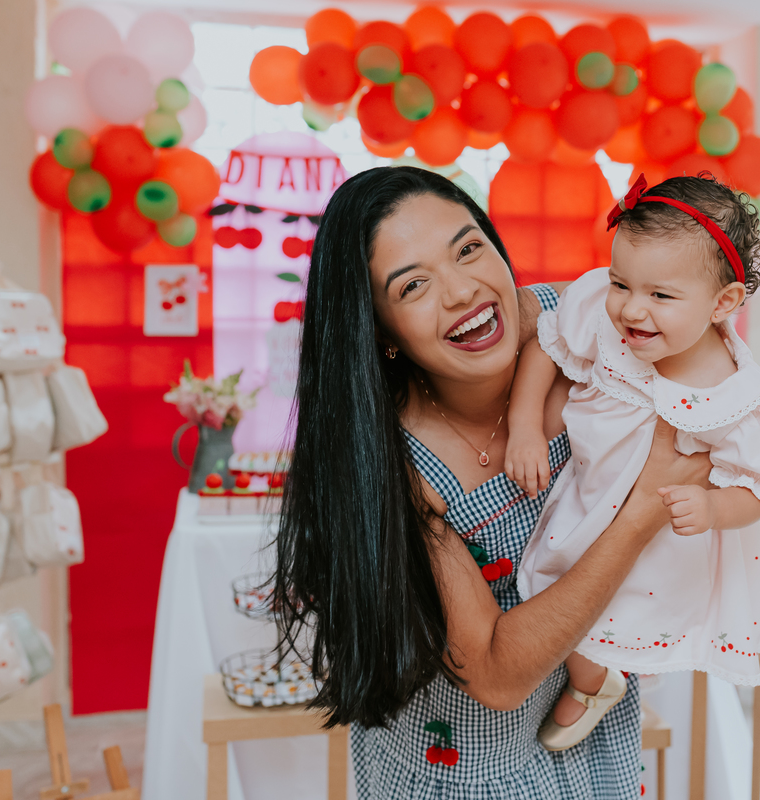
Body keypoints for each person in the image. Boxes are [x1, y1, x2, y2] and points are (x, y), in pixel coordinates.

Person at [273, 166, 720, 798]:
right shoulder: (397, 464)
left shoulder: (578, 327)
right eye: (413, 286)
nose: (461, 291)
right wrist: (643, 511)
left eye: (468, 248)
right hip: (464, 773)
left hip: (590, 740)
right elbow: (496, 676)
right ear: (381, 332)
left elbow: (691, 309)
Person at [505, 174, 760, 751]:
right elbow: (546, 350)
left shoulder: (731, 392)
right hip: (588, 502)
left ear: (724, 303)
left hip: (658, 541)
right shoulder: (603, 317)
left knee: (612, 622)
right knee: (561, 597)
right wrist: (524, 428)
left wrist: (716, 507)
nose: (632, 310)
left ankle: (593, 686)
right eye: (622, 283)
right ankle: (595, 684)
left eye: (661, 296)